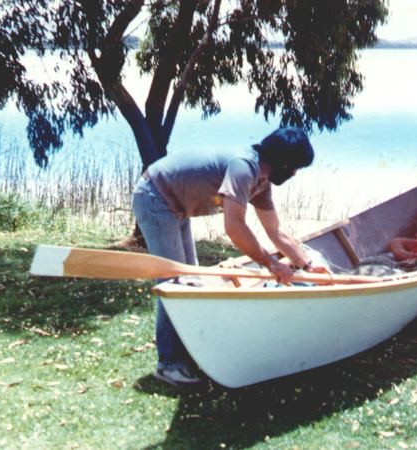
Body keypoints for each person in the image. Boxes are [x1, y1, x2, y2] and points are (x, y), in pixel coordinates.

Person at [131, 126, 327, 387]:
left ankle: (188, 354)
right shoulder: (243, 168)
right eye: (295, 168)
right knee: (175, 284)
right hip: (155, 197)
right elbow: (234, 227)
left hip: (175, 205)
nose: (294, 174)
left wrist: (306, 264)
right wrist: (270, 263)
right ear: (283, 162)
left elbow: (276, 231)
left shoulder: (262, 181)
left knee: (192, 281)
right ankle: (169, 365)